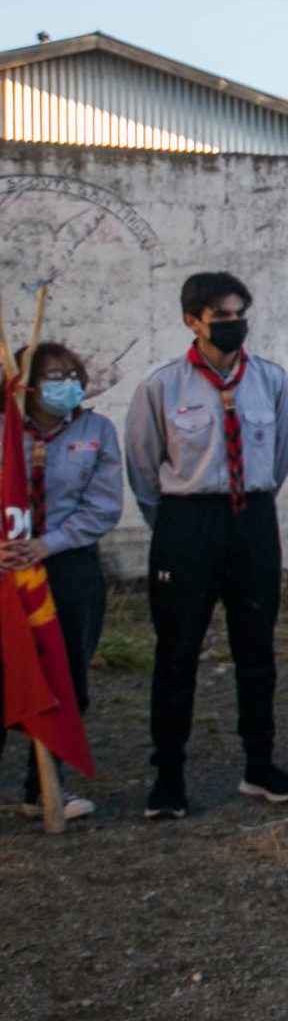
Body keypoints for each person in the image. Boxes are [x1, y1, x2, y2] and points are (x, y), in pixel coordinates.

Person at [125, 272, 288, 817]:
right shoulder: (162, 385)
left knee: (257, 650)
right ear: (192, 321)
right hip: (188, 522)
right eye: (220, 318)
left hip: (251, 519)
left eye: (238, 315)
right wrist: (180, 524)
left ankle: (259, 764)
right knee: (177, 654)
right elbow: (143, 466)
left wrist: (245, 504)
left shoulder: (269, 379)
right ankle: (170, 777)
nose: (232, 326)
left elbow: (278, 455)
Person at [6, 342, 120, 822]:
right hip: (6, 565)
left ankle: (46, 785)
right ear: (25, 384)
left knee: (65, 670)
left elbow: (103, 505)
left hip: (68, 564)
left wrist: (48, 544)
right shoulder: (5, 429)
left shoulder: (96, 430)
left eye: (73, 373)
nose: (67, 383)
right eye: (54, 376)